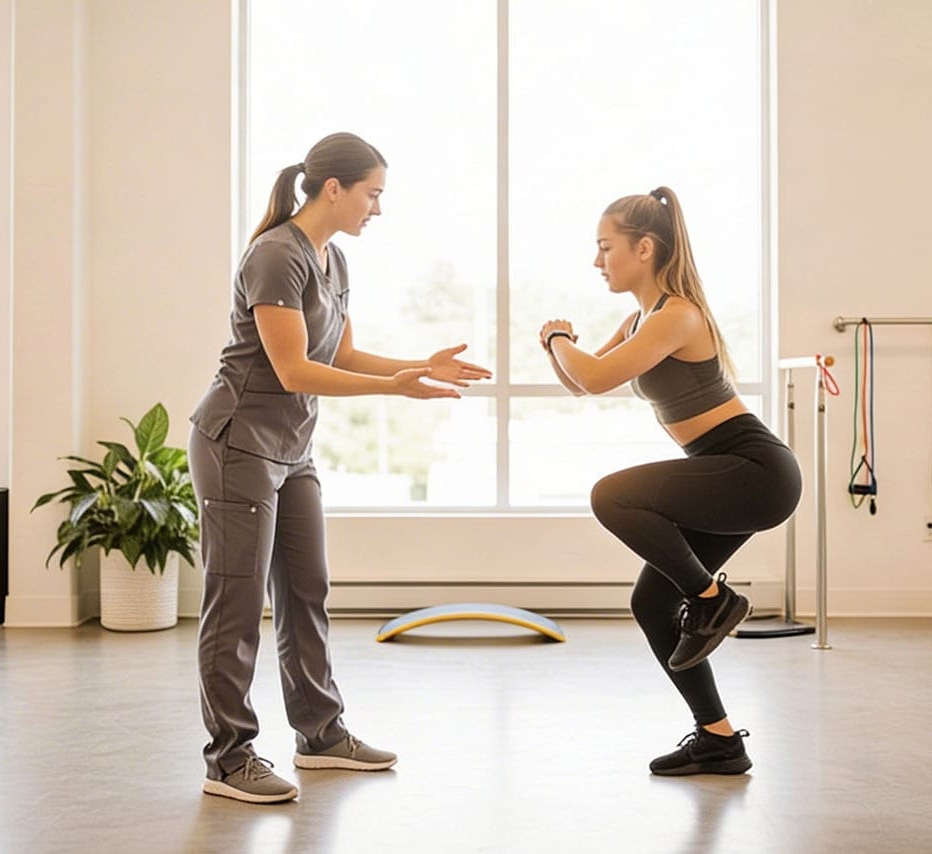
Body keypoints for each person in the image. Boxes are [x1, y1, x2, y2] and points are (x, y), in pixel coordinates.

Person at [190, 132, 491, 804]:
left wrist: (416, 366)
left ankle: (321, 735)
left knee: (306, 591)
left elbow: (344, 355)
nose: (377, 208)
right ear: (335, 188)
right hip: (237, 442)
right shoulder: (275, 255)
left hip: (291, 449)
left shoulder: (334, 261)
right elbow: (295, 369)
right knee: (236, 605)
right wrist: (399, 388)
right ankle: (229, 758)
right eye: (372, 194)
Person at [539, 186, 801, 777]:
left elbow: (598, 375)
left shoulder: (679, 314)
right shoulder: (641, 317)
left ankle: (714, 600)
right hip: (725, 470)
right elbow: (582, 383)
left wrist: (559, 340)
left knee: (612, 494)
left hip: (754, 470)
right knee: (652, 601)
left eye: (605, 247)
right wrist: (557, 349)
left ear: (645, 247)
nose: (597, 260)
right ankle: (719, 739)